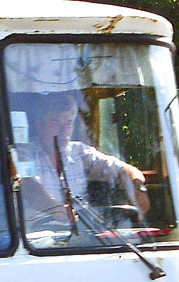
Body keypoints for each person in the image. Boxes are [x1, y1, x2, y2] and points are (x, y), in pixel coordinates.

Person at [17, 91, 150, 225]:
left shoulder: (79, 151)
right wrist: (56, 209)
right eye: (55, 123)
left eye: (68, 123)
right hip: (35, 236)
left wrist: (138, 188)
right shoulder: (24, 153)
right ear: (39, 125)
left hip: (80, 236)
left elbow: (125, 169)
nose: (64, 131)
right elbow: (29, 187)